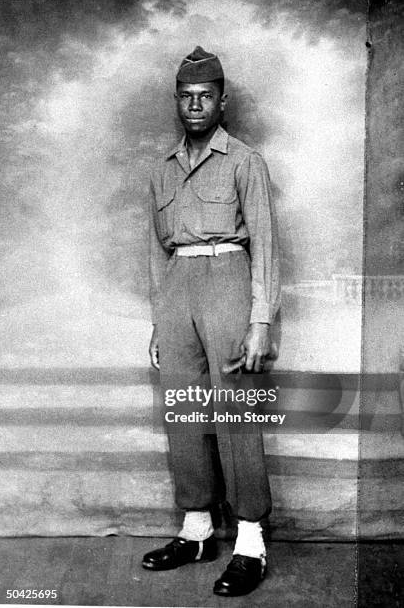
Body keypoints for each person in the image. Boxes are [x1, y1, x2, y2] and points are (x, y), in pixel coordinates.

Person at [142, 46, 280, 597]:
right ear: (177, 102)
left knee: (236, 412)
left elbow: (266, 244)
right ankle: (196, 529)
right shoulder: (161, 170)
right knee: (182, 409)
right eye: (186, 96)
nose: (195, 105)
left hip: (229, 279)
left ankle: (250, 542)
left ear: (222, 102)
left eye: (206, 96)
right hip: (177, 289)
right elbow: (157, 252)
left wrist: (261, 322)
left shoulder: (245, 160)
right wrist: (159, 318)